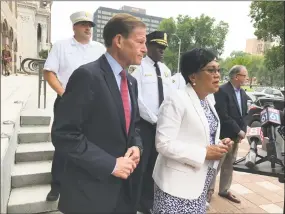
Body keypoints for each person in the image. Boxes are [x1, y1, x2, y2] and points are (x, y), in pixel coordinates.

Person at [51, 13, 146, 214]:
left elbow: (133, 125)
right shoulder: (87, 76)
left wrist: (136, 146)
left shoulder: (131, 82)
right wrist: (111, 164)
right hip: (89, 194)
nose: (144, 49)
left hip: (122, 194)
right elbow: (64, 135)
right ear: (119, 40)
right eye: (139, 42)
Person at [152, 48, 233, 214]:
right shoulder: (176, 100)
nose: (217, 74)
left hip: (199, 185)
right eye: (211, 70)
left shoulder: (207, 101)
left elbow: (201, 135)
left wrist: (218, 145)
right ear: (193, 76)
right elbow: (163, 143)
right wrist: (204, 153)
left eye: (218, 69)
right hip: (176, 188)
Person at [43, 11, 106, 201]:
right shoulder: (61, 46)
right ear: (74, 27)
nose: (88, 28)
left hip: (94, 105)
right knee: (64, 144)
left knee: (91, 143)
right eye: (83, 24)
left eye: (90, 25)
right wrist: (64, 94)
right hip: (67, 102)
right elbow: (49, 72)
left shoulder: (100, 49)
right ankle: (57, 185)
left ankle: (83, 180)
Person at [130, 30, 172, 214]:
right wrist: (155, 119)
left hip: (162, 127)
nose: (162, 51)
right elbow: (137, 99)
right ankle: (135, 202)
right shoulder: (138, 69)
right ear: (148, 47)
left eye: (164, 47)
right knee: (142, 166)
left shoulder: (166, 70)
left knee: (156, 165)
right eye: (158, 47)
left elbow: (170, 98)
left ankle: (148, 202)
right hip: (146, 126)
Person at [207, 65, 248, 204]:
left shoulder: (242, 93)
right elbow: (223, 115)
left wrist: (243, 130)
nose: (246, 78)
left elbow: (245, 114)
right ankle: (208, 191)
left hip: (236, 136)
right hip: (224, 136)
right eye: (244, 75)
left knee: (230, 164)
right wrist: (238, 130)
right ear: (236, 76)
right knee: (216, 165)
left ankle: (224, 190)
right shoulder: (222, 91)